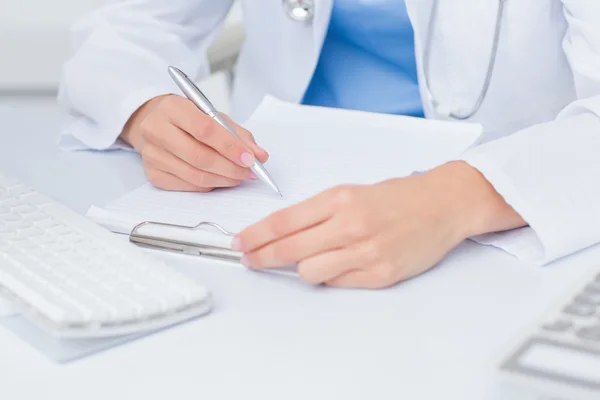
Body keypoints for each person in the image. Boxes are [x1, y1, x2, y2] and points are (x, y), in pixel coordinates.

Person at [58, 0, 600, 289]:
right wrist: (144, 108)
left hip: (512, 211)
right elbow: (132, 27)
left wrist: (451, 202)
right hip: (263, 199)